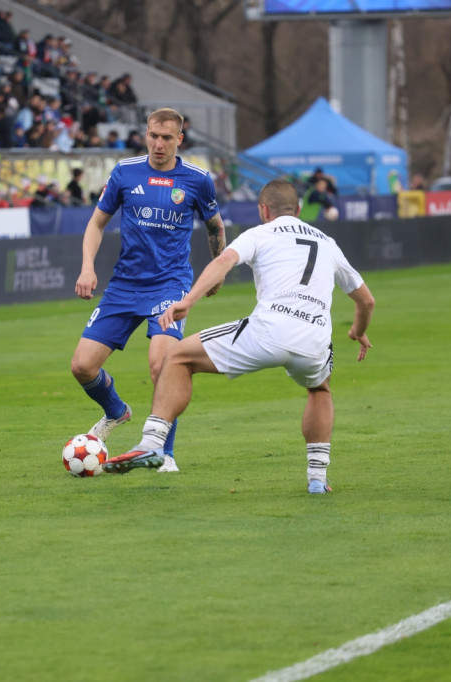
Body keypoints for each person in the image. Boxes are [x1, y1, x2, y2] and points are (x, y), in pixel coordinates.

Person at [103, 179, 375, 495]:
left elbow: (223, 262)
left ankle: (152, 442)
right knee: (319, 389)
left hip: (269, 332)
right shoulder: (328, 242)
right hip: (314, 339)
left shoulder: (260, 232)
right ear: (298, 210)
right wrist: (358, 330)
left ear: (263, 210)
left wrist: (188, 300)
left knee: (177, 357)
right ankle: (316, 478)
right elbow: (366, 301)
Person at [69, 107, 226, 473]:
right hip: (124, 285)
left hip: (170, 284)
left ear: (179, 140)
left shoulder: (197, 179)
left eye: (167, 138)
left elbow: (215, 227)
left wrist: (216, 271)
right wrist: (88, 267)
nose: (158, 144)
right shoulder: (125, 172)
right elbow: (96, 224)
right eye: (154, 136)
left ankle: (164, 453)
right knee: (81, 366)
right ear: (147, 134)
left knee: (163, 364)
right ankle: (116, 411)